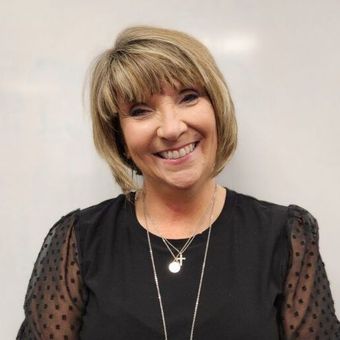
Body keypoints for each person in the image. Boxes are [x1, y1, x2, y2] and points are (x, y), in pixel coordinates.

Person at [17, 26, 339, 340]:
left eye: (188, 97)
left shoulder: (285, 236)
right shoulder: (79, 240)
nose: (171, 129)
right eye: (141, 111)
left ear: (216, 107)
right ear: (119, 135)